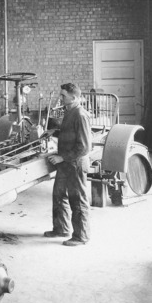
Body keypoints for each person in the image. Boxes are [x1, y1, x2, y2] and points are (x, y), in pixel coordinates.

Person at [46, 83, 92, 246]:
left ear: (73, 98)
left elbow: (84, 146)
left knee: (77, 199)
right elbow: (70, 134)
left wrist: (62, 158)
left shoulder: (80, 114)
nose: (61, 98)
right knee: (59, 195)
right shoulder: (69, 111)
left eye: (63, 96)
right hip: (66, 163)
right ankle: (61, 228)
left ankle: (81, 236)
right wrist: (54, 132)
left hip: (75, 163)